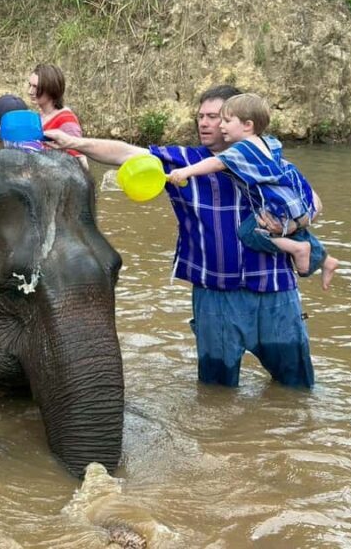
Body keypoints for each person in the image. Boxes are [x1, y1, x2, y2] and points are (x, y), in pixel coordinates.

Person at [45, 85, 316, 389]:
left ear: (241, 120)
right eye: (200, 116)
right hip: (215, 295)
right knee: (216, 394)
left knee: (297, 387)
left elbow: (313, 202)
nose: (204, 123)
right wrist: (74, 142)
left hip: (275, 290)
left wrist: (291, 225)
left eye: (215, 117)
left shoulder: (266, 159)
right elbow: (125, 153)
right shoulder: (184, 162)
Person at [167, 93, 339, 291]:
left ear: (248, 125)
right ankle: (325, 260)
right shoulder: (268, 142)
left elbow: (216, 163)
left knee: (249, 232)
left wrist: (185, 172)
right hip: (293, 196)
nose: (221, 126)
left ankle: (298, 249)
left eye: (227, 121)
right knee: (294, 230)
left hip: (277, 203)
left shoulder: (243, 149)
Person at [28, 63, 88, 169]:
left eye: (36, 87)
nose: (30, 91)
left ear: (51, 89)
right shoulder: (39, 116)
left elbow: (81, 163)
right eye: (30, 85)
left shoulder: (66, 120)